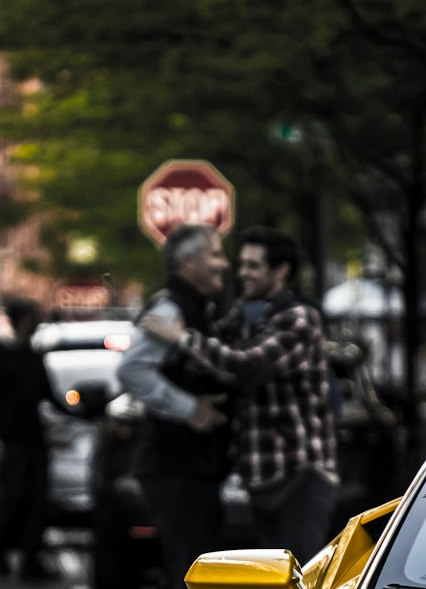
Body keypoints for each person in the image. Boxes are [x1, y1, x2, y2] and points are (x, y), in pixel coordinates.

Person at [110, 222, 242, 589]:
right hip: (175, 466)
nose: (223, 264)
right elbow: (132, 372)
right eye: (215, 255)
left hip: (184, 466)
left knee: (176, 577)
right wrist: (189, 409)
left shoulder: (193, 310)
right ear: (188, 263)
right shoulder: (170, 310)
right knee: (191, 578)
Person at [143, 226, 339, 565]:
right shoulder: (248, 315)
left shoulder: (300, 318)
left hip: (300, 474)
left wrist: (182, 338)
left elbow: (249, 365)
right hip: (261, 477)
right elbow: (215, 351)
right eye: (241, 264)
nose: (241, 272)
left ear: (280, 271)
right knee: (273, 586)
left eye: (253, 266)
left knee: (299, 586)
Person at [0, 296, 60, 581]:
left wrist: (82, 410)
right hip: (9, 440)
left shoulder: (34, 357)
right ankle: (0, 550)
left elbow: (49, 395)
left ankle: (30, 559)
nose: (36, 324)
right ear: (21, 321)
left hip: (34, 439)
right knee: (12, 498)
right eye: (32, 318)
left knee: (37, 501)